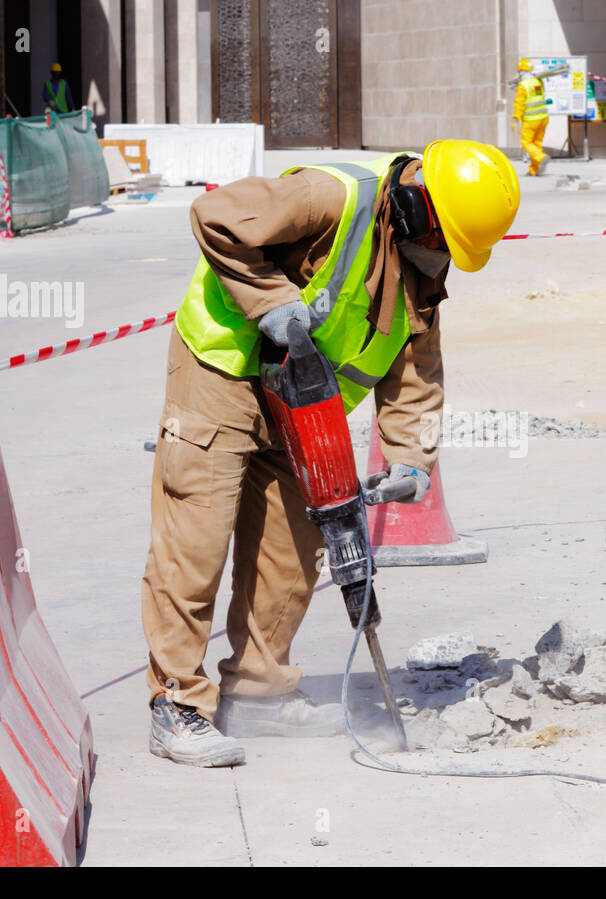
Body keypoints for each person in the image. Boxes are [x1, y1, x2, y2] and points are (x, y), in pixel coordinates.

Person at [141, 142, 521, 767]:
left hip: (301, 400)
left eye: (451, 247)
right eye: (440, 237)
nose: (440, 255)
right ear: (413, 197)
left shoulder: (423, 261)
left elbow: (416, 368)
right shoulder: (330, 195)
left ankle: (260, 693)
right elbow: (215, 214)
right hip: (224, 371)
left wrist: (410, 459)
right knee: (197, 539)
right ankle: (177, 704)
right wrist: (268, 302)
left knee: (293, 548)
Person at [513, 58, 550, 176]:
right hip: (543, 118)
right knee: (536, 144)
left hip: (530, 120)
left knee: (526, 143)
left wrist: (516, 118)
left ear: (521, 71)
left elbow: (519, 103)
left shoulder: (523, 85)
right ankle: (534, 170)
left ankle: (541, 157)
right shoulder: (538, 82)